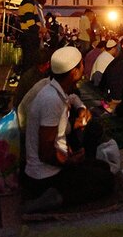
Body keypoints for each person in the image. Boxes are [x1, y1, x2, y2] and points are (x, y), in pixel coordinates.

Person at [22, 46, 114, 212]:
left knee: (103, 167)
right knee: (106, 180)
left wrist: (80, 109)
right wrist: (70, 161)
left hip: (53, 165)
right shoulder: (51, 101)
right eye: (81, 65)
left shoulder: (55, 88)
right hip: (45, 176)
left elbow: (73, 98)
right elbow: (46, 152)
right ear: (74, 72)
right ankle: (57, 198)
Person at [17, 0, 48, 74]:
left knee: (29, 63)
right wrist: (42, 29)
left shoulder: (30, 3)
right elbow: (31, 24)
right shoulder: (28, 3)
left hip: (29, 37)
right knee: (29, 65)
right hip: (29, 38)